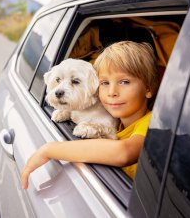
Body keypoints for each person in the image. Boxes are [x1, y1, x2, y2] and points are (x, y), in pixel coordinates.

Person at [21, 41, 159, 189]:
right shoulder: (115, 121)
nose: (112, 92)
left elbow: (124, 152)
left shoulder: (153, 124)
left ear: (148, 89)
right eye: (105, 83)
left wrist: (49, 150)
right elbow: (83, 103)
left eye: (124, 82)